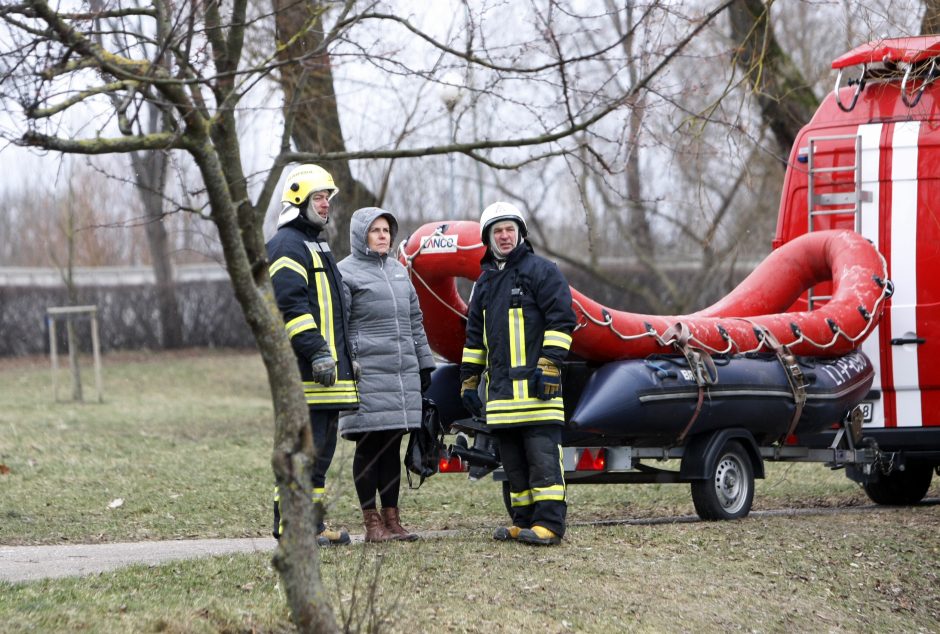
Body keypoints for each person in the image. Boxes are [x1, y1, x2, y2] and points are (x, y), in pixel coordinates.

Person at [459, 202, 576, 546]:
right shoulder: (483, 284)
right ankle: (523, 521)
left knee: (543, 463)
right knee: (515, 467)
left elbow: (562, 320)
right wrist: (468, 380)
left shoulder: (542, 271)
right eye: (498, 231)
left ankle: (550, 525)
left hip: (539, 393)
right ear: (488, 238)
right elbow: (474, 338)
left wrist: (550, 364)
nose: (505, 236)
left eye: (510, 229)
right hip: (501, 400)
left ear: (521, 233)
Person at [266, 164, 359, 546]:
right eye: (319, 198)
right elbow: (292, 307)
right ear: (299, 199)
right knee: (303, 456)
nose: (326, 206)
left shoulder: (315, 243)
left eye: (327, 199)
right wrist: (318, 352)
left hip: (328, 377)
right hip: (308, 374)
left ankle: (312, 526)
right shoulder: (287, 245)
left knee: (319, 458)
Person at [338, 207, 436, 542]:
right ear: (360, 235)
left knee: (392, 446)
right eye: (375, 230)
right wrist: (345, 368)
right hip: (365, 374)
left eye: (386, 230)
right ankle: (372, 524)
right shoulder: (345, 273)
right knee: (368, 445)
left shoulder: (398, 272)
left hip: (400, 373)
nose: (383, 236)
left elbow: (415, 324)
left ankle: (392, 520)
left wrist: (425, 364)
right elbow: (340, 327)